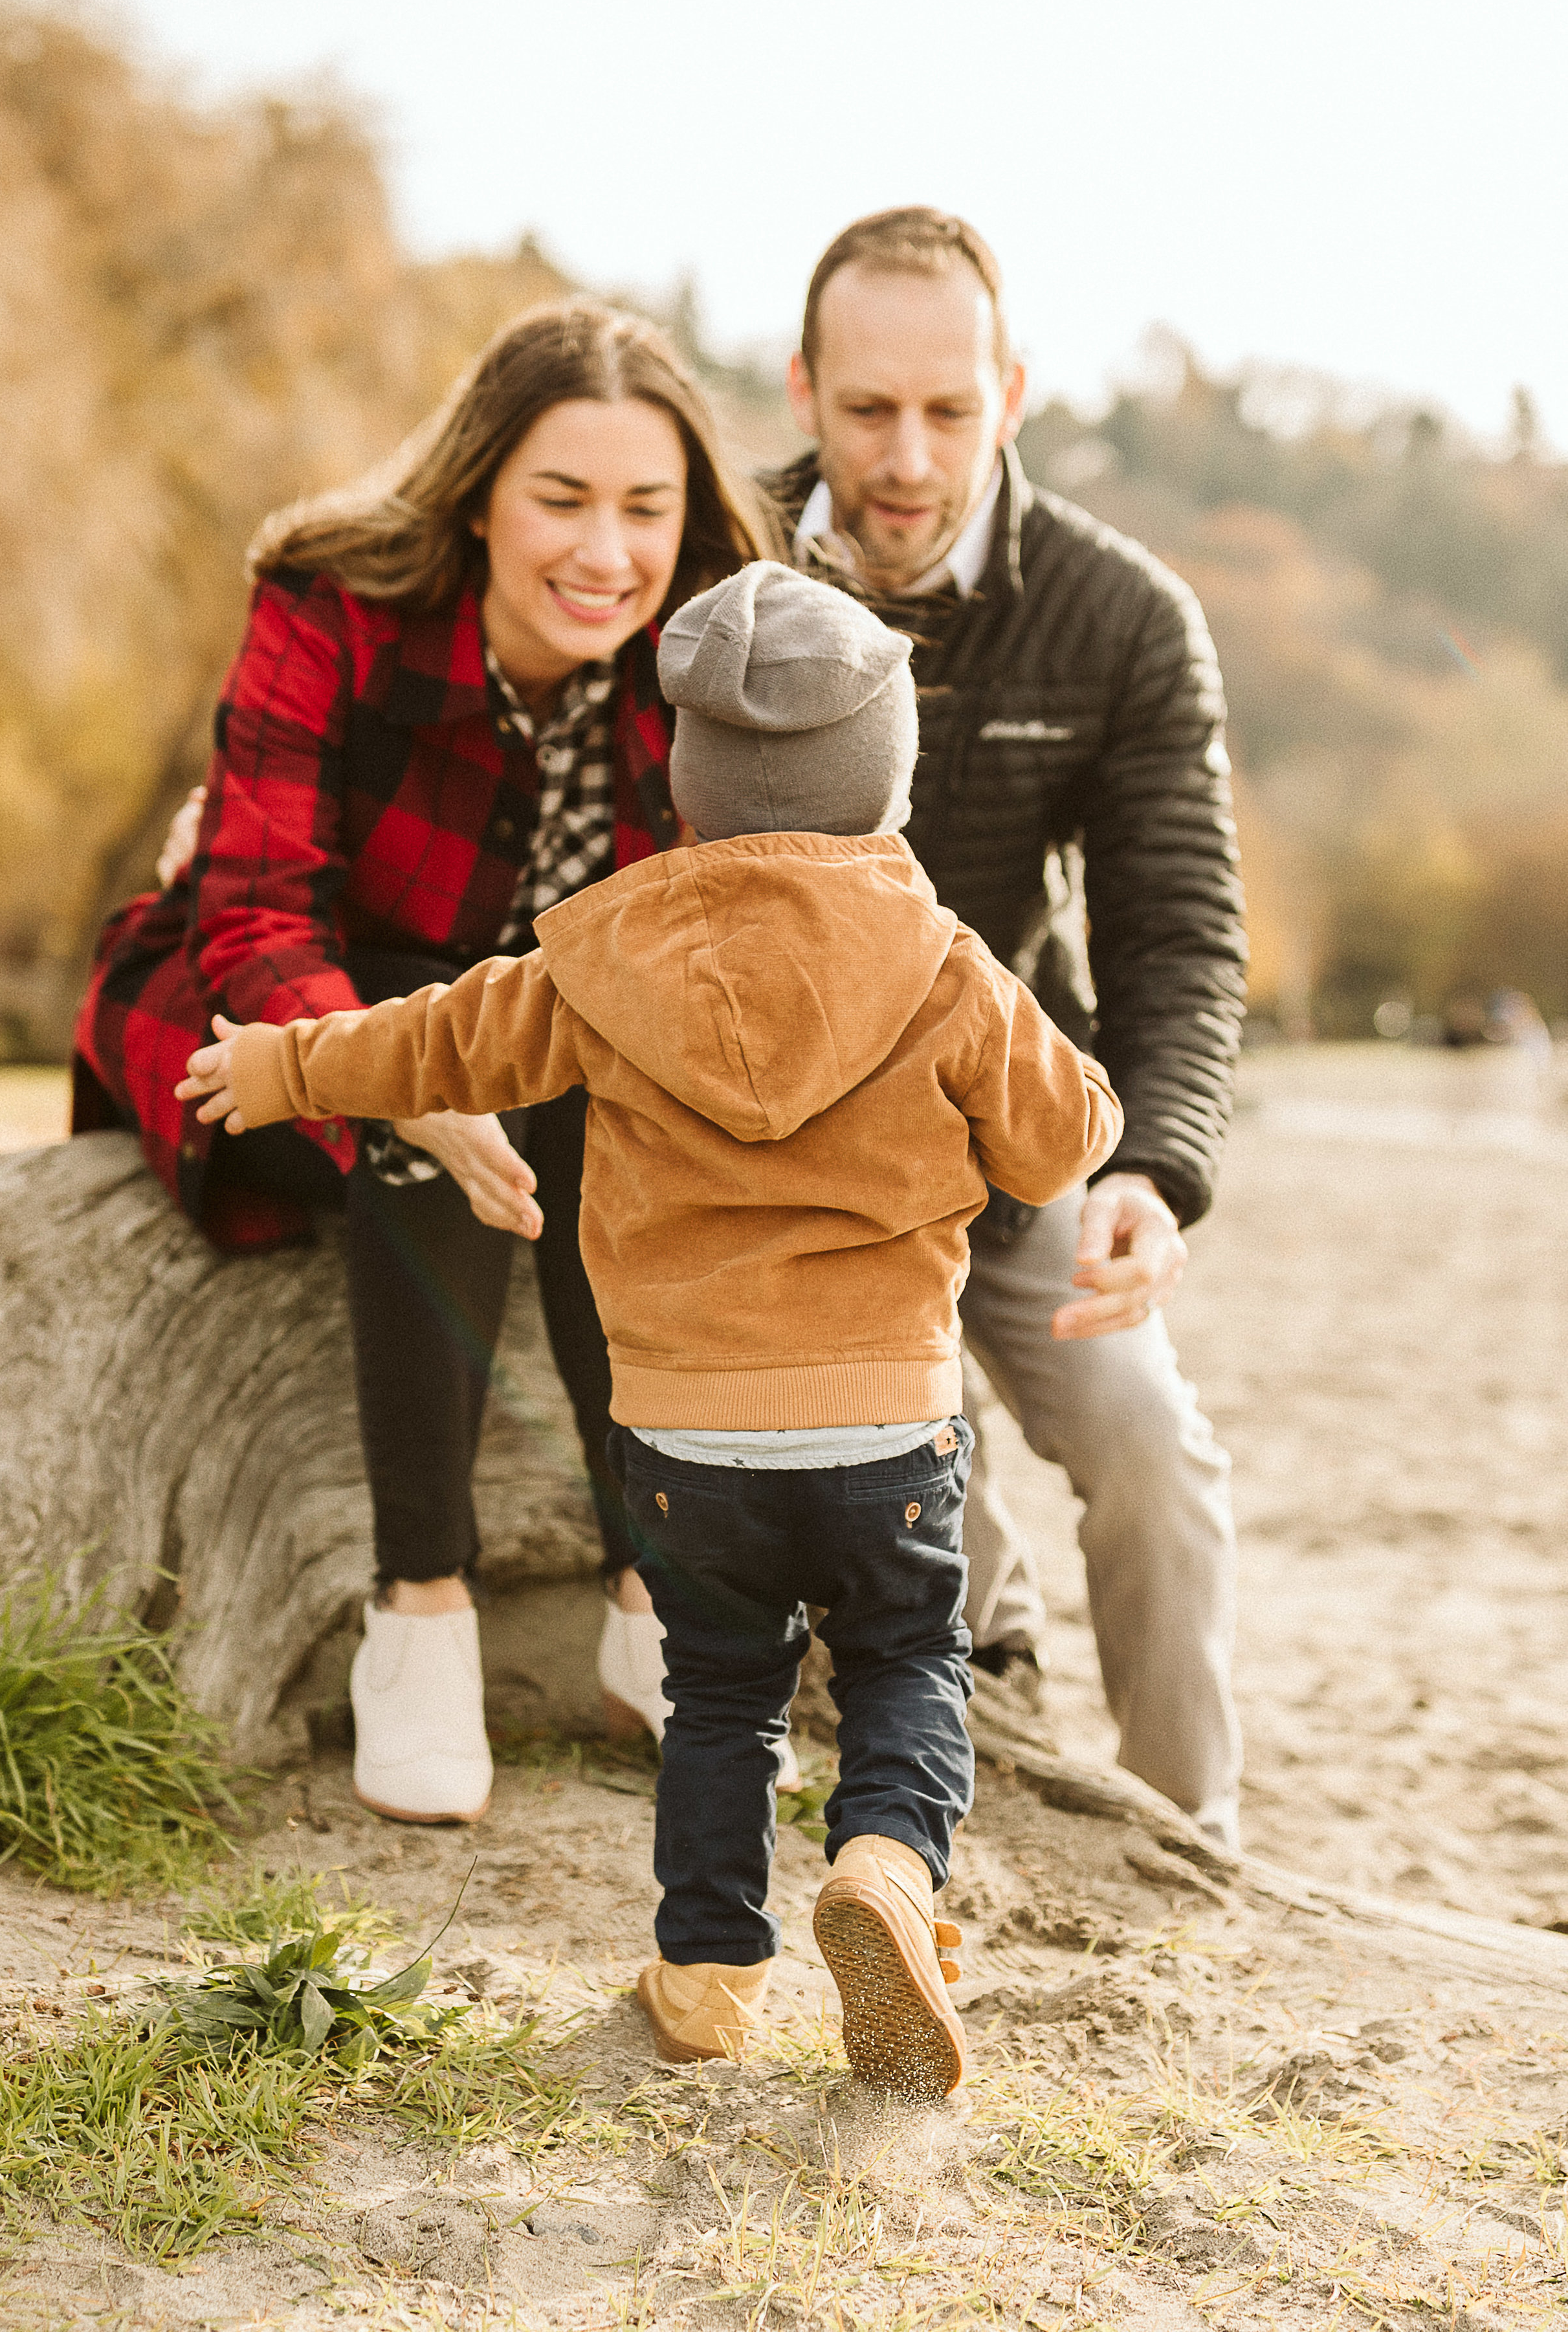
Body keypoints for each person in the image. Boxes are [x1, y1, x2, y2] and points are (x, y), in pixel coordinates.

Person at [178, 561, 1123, 2096]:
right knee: (902, 1662)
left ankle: (703, 1968)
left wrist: (289, 1067)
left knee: (723, 1694)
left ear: (687, 785)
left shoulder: (606, 954)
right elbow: (1056, 1144)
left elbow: (440, 1037)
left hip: (684, 1429)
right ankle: (885, 1865)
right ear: (882, 778)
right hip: (884, 1417)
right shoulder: (942, 962)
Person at [71, 299, 778, 1824]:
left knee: (602, 1072)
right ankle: (420, 1612)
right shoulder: (330, 602)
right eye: (561, 500)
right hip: (270, 1020)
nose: (604, 550)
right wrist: (407, 1074)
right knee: (433, 1064)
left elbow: (728, 922)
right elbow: (254, 914)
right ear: (477, 496)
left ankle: (654, 1611)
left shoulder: (712, 641)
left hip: (547, 1043)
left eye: (643, 510)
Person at [767, 208, 1248, 1848]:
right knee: (919, 1451)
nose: (906, 459)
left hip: (1022, 1124)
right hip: (787, 1143)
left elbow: (1177, 924)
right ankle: (980, 1691)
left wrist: (1156, 1174)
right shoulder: (719, 562)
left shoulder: (1121, 619)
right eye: (866, 410)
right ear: (803, 390)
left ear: (1011, 394)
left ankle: (1195, 1830)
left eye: (948, 411)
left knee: (1150, 1452)